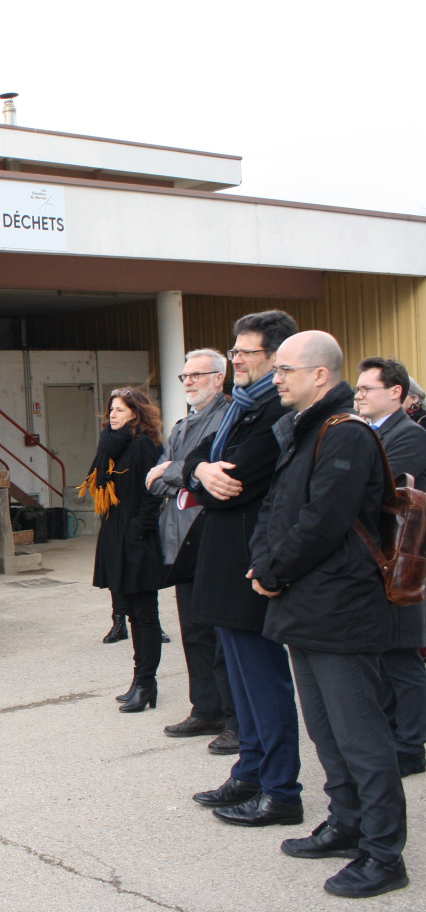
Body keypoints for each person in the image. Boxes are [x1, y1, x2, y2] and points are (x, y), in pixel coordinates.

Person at [250, 332, 409, 899]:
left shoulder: (347, 434)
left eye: (286, 369)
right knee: (324, 730)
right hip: (306, 605)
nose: (276, 378)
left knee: (361, 735)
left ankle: (383, 853)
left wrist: (274, 570)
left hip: (342, 608)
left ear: (321, 375)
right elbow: (275, 509)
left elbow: (325, 520)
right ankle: (346, 823)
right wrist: (262, 562)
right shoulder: (305, 430)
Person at [184, 310, 303, 826]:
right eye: (233, 353)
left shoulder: (277, 412)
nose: (236, 361)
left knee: (264, 682)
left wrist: (204, 473)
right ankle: (250, 772)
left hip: (250, 564)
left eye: (244, 353)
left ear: (277, 357)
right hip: (223, 561)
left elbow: (238, 478)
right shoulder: (241, 410)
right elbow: (199, 460)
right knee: (241, 681)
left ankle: (281, 790)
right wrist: (200, 470)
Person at [146, 350, 238, 748]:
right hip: (181, 543)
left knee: (224, 635)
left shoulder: (230, 419)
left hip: (214, 537)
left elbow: (217, 477)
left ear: (219, 378)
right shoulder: (182, 426)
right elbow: (156, 479)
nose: (188, 382)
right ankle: (205, 709)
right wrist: (181, 476)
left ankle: (236, 719)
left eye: (197, 375)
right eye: (184, 376)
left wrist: (178, 476)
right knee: (195, 630)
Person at [352, 357, 426, 778]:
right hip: (376, 560)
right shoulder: (368, 432)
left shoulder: (410, 436)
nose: (358, 395)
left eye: (367, 388)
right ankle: (392, 732)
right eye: (358, 389)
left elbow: (385, 490)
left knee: (401, 656)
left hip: (401, 561)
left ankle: (410, 745)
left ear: (395, 392)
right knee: (384, 654)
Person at [80, 388, 165, 712]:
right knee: (130, 613)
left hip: (136, 538)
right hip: (116, 533)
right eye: (111, 409)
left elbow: (153, 492)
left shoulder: (143, 444)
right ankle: (138, 680)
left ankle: (147, 683)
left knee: (145, 615)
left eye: (120, 409)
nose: (112, 414)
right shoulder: (111, 445)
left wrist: (139, 530)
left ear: (136, 413)